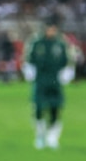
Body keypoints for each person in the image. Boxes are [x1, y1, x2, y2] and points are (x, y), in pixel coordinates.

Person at [23, 18, 74, 149]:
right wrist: (29, 72)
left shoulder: (61, 43)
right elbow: (28, 60)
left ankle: (52, 137)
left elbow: (68, 61)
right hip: (40, 81)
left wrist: (67, 73)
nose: (51, 31)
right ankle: (40, 135)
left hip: (55, 82)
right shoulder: (36, 43)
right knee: (39, 108)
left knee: (55, 109)